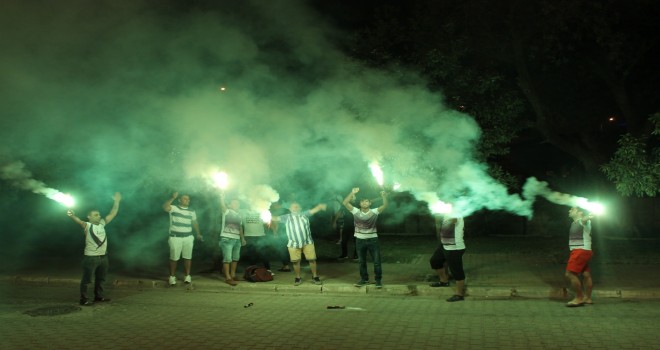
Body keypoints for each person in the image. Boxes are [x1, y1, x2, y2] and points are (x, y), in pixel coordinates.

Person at [67, 192, 121, 306]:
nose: (99, 216)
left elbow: (113, 213)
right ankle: (84, 299)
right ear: (89, 217)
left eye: (99, 214)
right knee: (87, 280)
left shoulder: (102, 224)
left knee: (101, 279)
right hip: (91, 258)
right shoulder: (87, 225)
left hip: (103, 257)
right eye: (96, 215)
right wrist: (71, 215)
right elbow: (76, 219)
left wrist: (117, 201)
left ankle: (98, 297)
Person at [342, 187, 388, 289]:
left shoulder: (374, 212)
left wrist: (384, 196)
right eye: (362, 201)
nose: (364, 203)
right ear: (360, 204)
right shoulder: (356, 211)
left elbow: (384, 205)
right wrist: (352, 192)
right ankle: (364, 279)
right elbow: (345, 203)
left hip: (373, 240)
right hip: (360, 240)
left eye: (366, 201)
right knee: (361, 261)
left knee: (376, 261)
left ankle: (378, 280)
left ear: (369, 203)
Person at [273, 201, 327, 286]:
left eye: (297, 207)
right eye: (293, 207)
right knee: (295, 262)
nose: (295, 208)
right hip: (293, 244)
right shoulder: (286, 217)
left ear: (300, 208)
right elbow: (274, 218)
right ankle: (298, 278)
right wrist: (264, 214)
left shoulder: (305, 214)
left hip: (307, 242)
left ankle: (315, 276)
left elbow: (315, 210)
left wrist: (321, 206)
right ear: (290, 209)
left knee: (312, 260)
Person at [163, 192, 203, 286]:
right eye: (185, 199)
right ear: (179, 200)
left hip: (188, 237)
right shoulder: (174, 208)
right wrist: (172, 197)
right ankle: (172, 277)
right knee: (174, 258)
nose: (187, 200)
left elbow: (194, 222)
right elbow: (165, 207)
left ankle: (187, 276)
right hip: (175, 237)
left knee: (188, 257)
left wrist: (198, 234)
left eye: (188, 199)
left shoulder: (192, 211)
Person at [430, 214, 467, 302]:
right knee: (435, 261)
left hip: (455, 247)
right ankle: (444, 281)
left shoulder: (456, 211)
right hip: (445, 245)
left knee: (456, 271)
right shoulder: (446, 213)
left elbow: (454, 220)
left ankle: (459, 294)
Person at [565, 207, 594, 307]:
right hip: (584, 250)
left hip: (580, 251)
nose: (569, 211)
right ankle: (588, 298)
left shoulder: (582, 221)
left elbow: (585, 219)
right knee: (586, 274)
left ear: (580, 212)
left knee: (569, 274)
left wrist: (589, 216)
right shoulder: (575, 223)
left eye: (572, 209)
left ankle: (579, 298)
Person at [219, 193, 246, 285]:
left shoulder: (239, 215)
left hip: (237, 239)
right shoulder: (227, 211)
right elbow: (222, 206)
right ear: (229, 205)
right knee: (227, 259)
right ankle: (228, 277)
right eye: (234, 203)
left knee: (235, 258)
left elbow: (240, 227)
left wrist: (242, 239)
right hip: (227, 239)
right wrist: (222, 198)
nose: (237, 205)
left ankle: (233, 275)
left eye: (238, 203)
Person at [242, 208, 272, 273]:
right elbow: (240, 225)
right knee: (252, 255)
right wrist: (242, 238)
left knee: (264, 254)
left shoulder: (261, 211)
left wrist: (268, 223)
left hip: (261, 235)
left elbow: (267, 223)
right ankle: (252, 271)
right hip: (249, 236)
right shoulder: (243, 211)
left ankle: (268, 270)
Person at [270, 201, 292, 272]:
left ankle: (286, 266)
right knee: (291, 248)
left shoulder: (276, 212)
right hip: (291, 232)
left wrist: (275, 233)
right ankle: (294, 263)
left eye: (273, 204)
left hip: (281, 233)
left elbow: (275, 223)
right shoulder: (287, 210)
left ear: (276, 204)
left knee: (282, 249)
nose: (273, 206)